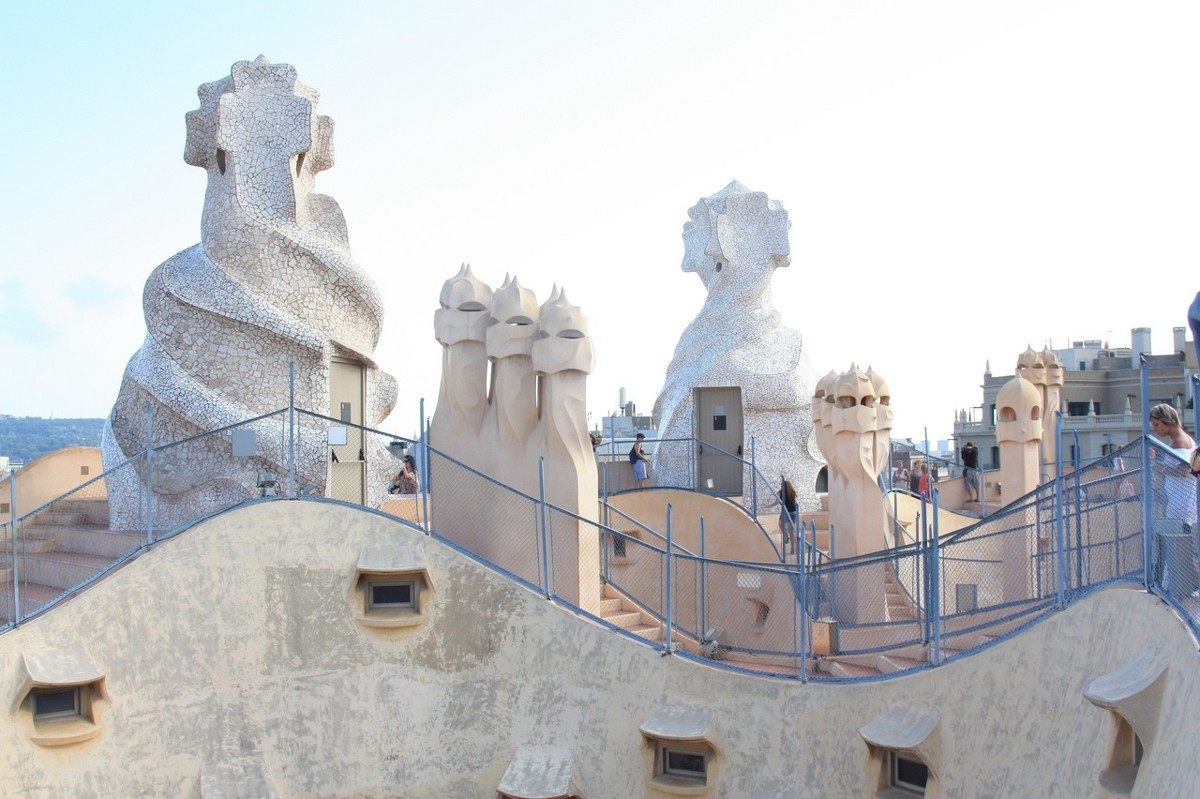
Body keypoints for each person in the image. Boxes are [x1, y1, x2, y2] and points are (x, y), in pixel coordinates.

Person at [778, 479, 799, 554]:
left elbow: (777, 502)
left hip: (785, 512)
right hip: (793, 512)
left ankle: (786, 537)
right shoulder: (792, 492)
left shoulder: (780, 492)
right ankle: (792, 549)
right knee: (791, 531)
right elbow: (797, 502)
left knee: (780, 523)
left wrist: (768, 506)